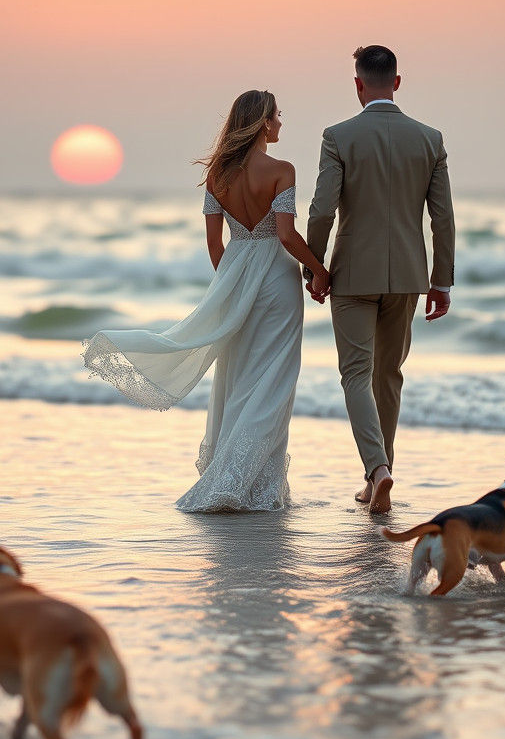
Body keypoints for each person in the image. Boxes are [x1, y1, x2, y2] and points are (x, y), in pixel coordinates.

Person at [83, 90, 329, 512]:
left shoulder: (217, 175)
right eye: (278, 116)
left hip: (235, 277)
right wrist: (320, 271)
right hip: (277, 280)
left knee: (237, 377)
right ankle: (240, 485)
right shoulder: (282, 170)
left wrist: (234, 285)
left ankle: (246, 483)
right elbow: (286, 235)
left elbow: (215, 246)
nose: (281, 123)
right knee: (272, 380)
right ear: (263, 123)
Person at [305, 45, 455, 514]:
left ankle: (377, 471)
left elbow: (322, 209)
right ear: (397, 82)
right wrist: (441, 280)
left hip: (352, 274)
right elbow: (443, 217)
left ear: (357, 85)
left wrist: (315, 266)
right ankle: (380, 473)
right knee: (388, 376)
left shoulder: (338, 136)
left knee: (355, 374)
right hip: (409, 275)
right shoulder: (429, 138)